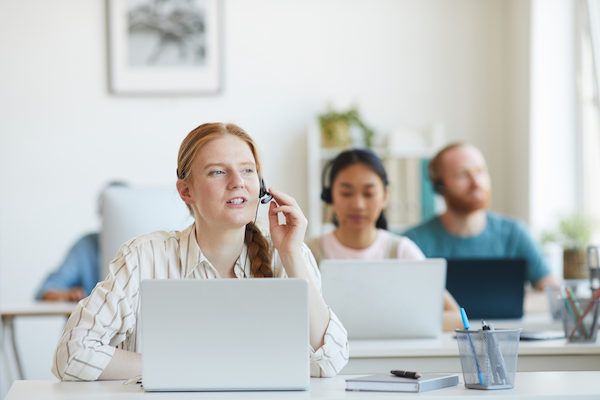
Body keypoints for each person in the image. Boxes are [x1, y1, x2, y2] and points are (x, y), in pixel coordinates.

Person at [51, 123, 349, 381]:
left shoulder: (286, 255)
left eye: (248, 170)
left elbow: (330, 361)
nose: (238, 182)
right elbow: (72, 353)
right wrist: (189, 367)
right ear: (186, 192)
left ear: (261, 186)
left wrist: (292, 255)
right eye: (218, 172)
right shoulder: (143, 257)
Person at [305, 149, 462, 332]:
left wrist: (389, 321)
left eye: (369, 193)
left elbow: (457, 317)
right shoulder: (306, 252)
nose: (358, 204)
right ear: (330, 196)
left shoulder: (401, 250)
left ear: (385, 197)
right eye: (346, 193)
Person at [403, 143, 561, 290]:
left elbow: (554, 293)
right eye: (462, 175)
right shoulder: (413, 242)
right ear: (439, 187)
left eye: (480, 171)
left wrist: (510, 306)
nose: (476, 182)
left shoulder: (514, 233)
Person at [36, 182, 127, 302]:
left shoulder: (148, 249)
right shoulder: (86, 246)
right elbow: (46, 291)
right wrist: (67, 295)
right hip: (91, 320)